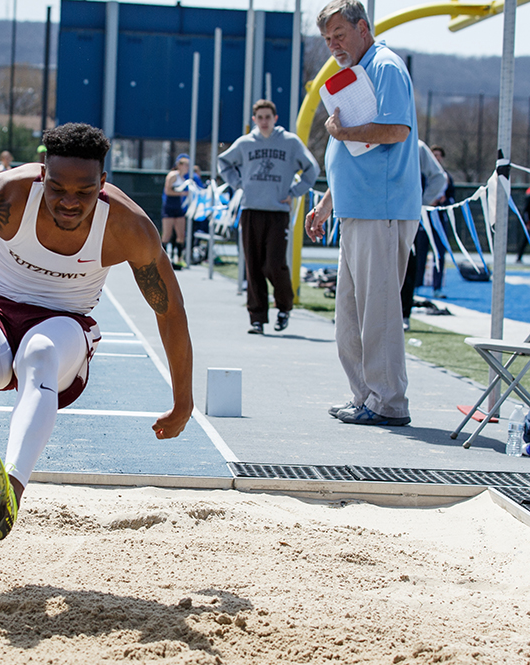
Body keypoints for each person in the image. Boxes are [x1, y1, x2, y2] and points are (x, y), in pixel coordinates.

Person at [0, 122, 194, 549]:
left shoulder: (127, 226)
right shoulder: (5, 197)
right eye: (58, 189)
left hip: (64, 322)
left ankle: (9, 491)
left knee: (40, 352)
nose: (69, 202)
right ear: (42, 173)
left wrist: (183, 399)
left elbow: (169, 310)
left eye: (84, 192)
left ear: (102, 183)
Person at [305, 0, 420, 427]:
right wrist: (326, 201)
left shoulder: (385, 66)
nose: (334, 45)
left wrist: (342, 131)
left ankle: (389, 403)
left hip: (382, 209)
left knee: (379, 314)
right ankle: (367, 397)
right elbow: (352, 153)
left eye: (339, 34)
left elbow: (395, 130)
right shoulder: (354, 74)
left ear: (363, 28)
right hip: (355, 209)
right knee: (350, 316)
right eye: (328, 39)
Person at [219, 99, 320, 334]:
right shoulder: (245, 144)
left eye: (268, 117)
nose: (264, 121)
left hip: (278, 211)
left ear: (275, 119)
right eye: (260, 117)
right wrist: (238, 184)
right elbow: (223, 162)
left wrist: (294, 192)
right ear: (254, 120)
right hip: (251, 210)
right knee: (253, 265)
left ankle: (284, 306)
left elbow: (311, 169)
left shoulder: (290, 143)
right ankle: (257, 317)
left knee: (274, 264)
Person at [400, 140, 448, 330]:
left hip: (405, 216)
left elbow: (439, 177)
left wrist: (421, 203)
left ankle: (404, 314)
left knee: (407, 263)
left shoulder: (416, 147)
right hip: (372, 214)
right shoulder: (369, 136)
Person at [416, 144, 455, 287]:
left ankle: (437, 286)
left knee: (439, 252)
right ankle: (417, 286)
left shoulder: (446, 177)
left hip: (439, 217)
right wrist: (425, 202)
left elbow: (452, 197)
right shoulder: (421, 174)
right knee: (420, 252)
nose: (437, 158)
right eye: (434, 155)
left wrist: (442, 202)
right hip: (422, 217)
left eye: (439, 155)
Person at [160, 153, 202, 269]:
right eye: (185, 164)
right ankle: (160, 259)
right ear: (179, 165)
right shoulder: (173, 175)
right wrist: (183, 193)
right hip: (169, 208)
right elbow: (168, 191)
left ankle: (178, 259)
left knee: (181, 235)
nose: (187, 167)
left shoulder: (188, 178)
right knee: (167, 235)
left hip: (180, 209)